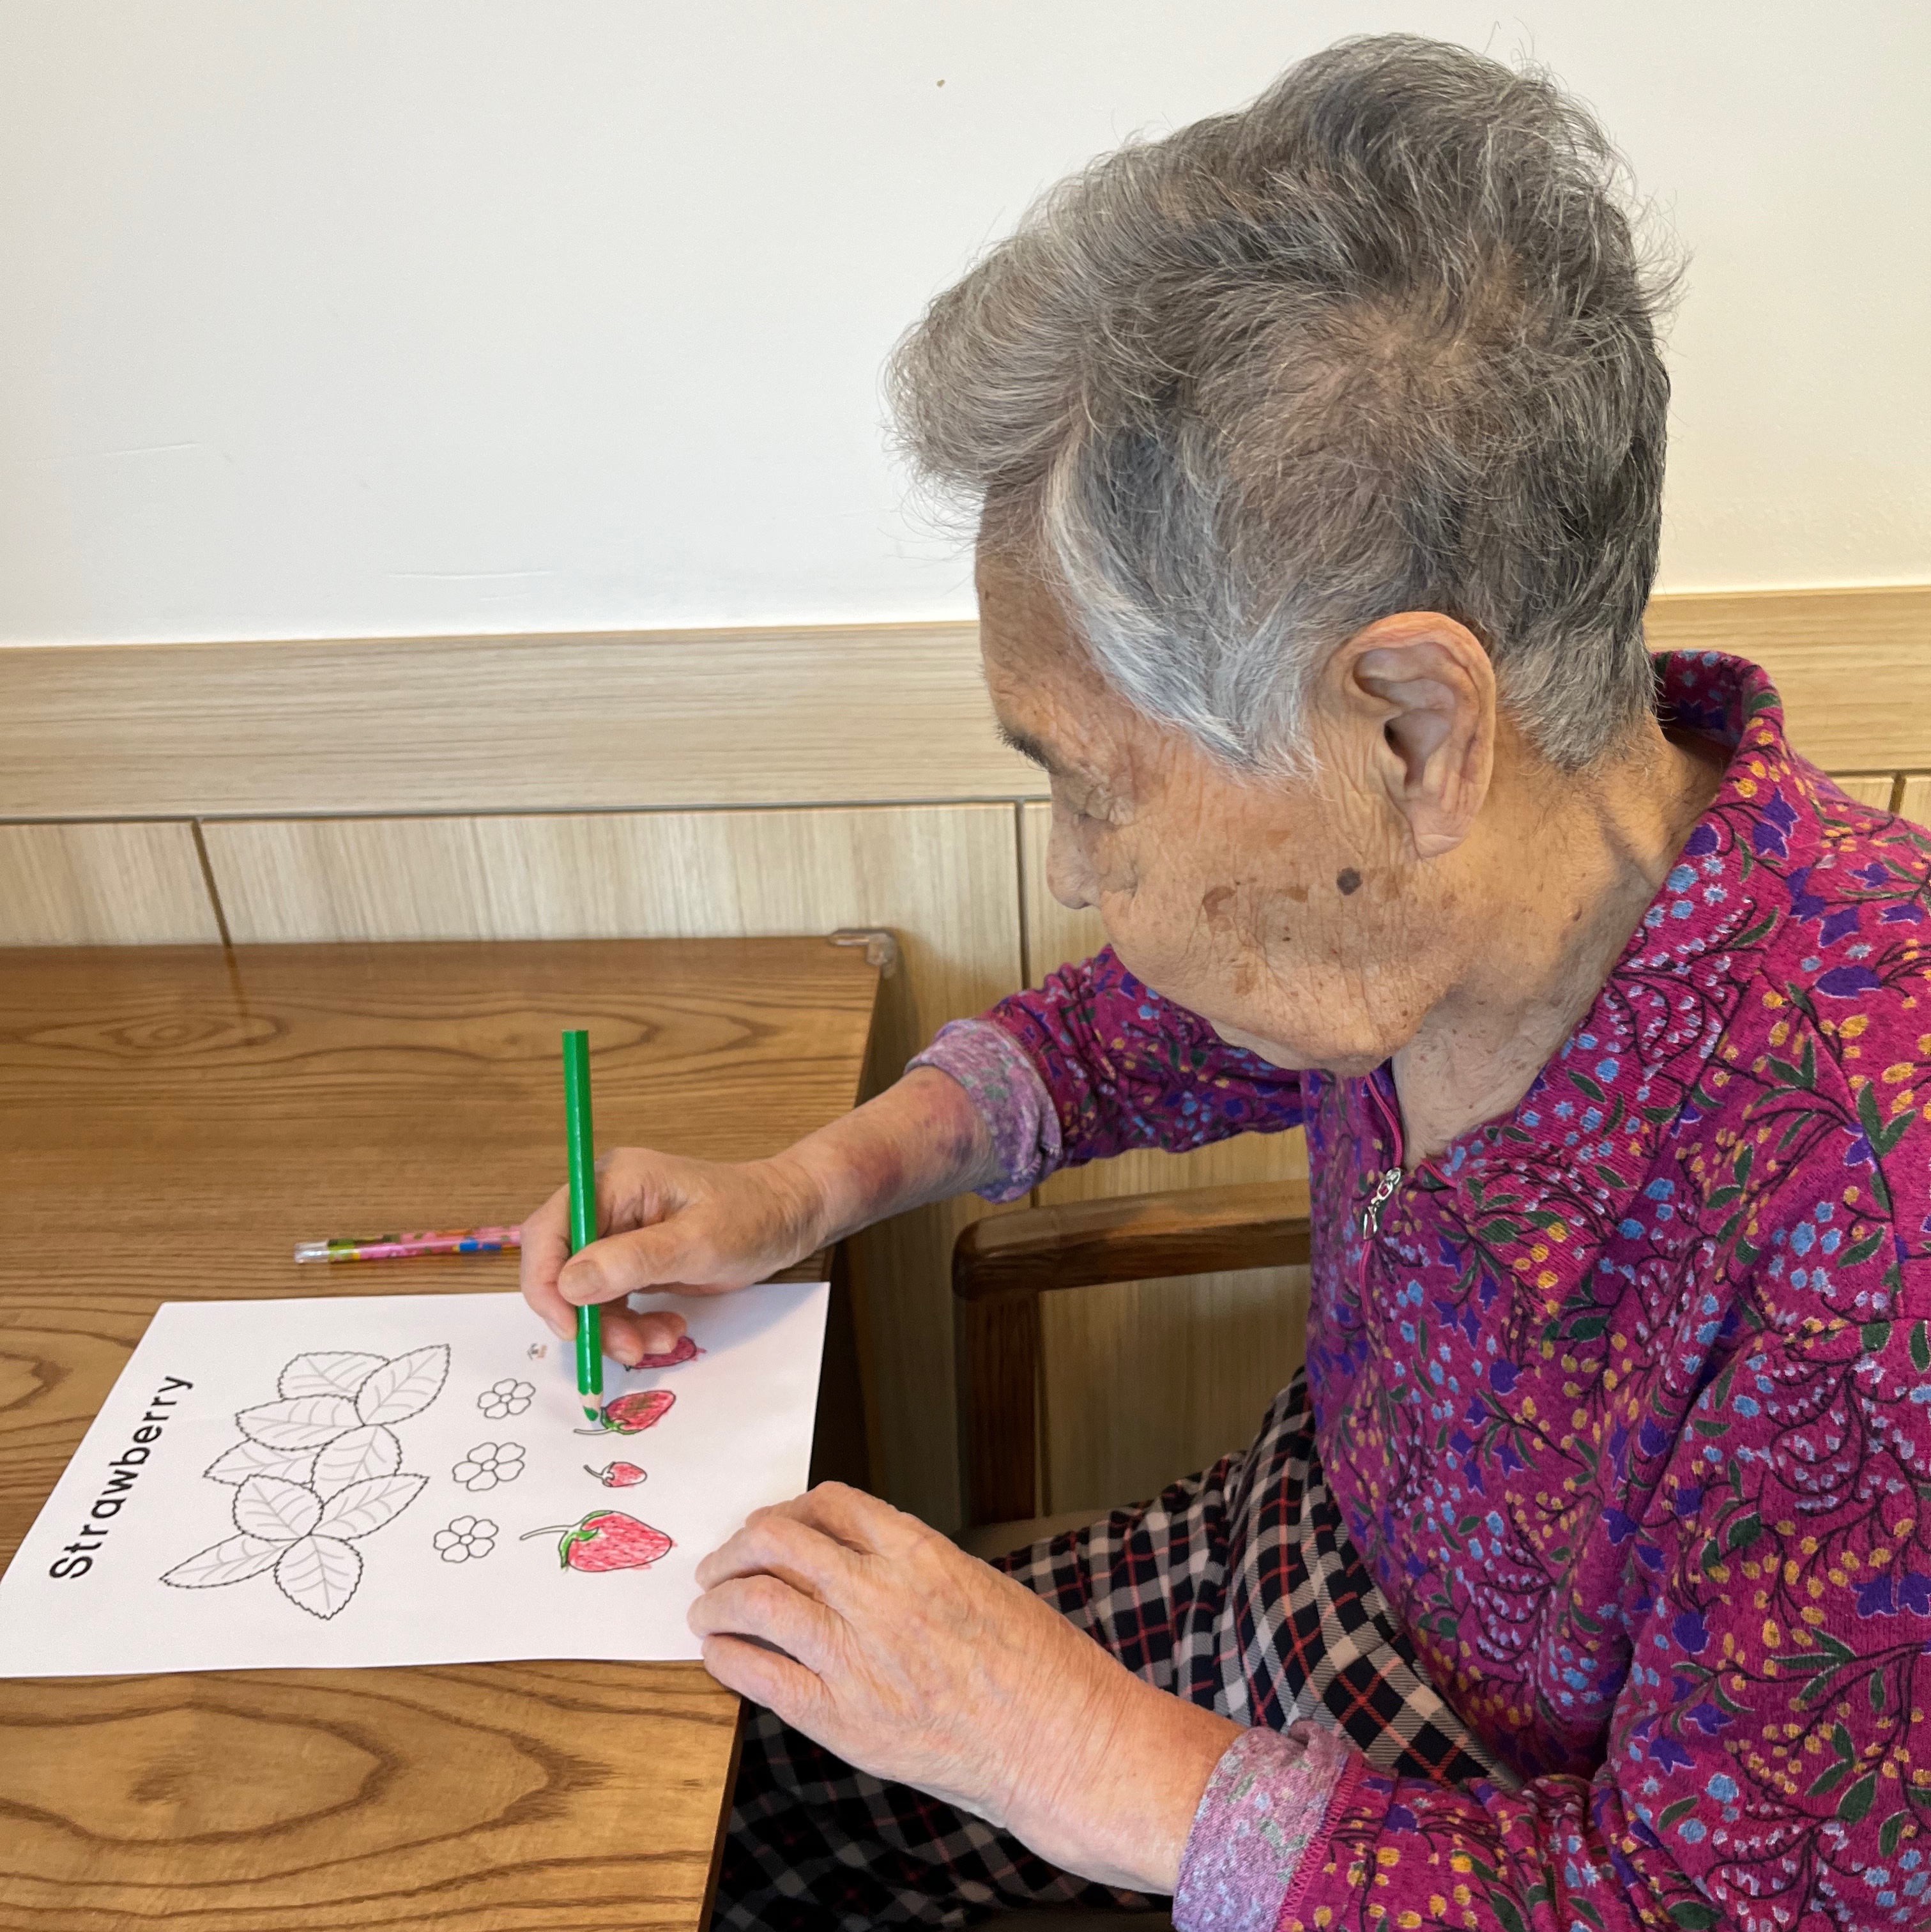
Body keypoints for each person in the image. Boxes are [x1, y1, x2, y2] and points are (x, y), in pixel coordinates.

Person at [521, 34, 1931, 1932]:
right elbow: (1134, 1031)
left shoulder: (1876, 1229)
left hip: (1474, 1837)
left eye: (1095, 789)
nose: (1072, 873)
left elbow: (1706, 1907)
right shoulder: (1449, 884)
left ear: (1414, 731)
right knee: (698, 1787)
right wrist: (805, 1189)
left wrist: (1073, 1752)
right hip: (1274, 1580)